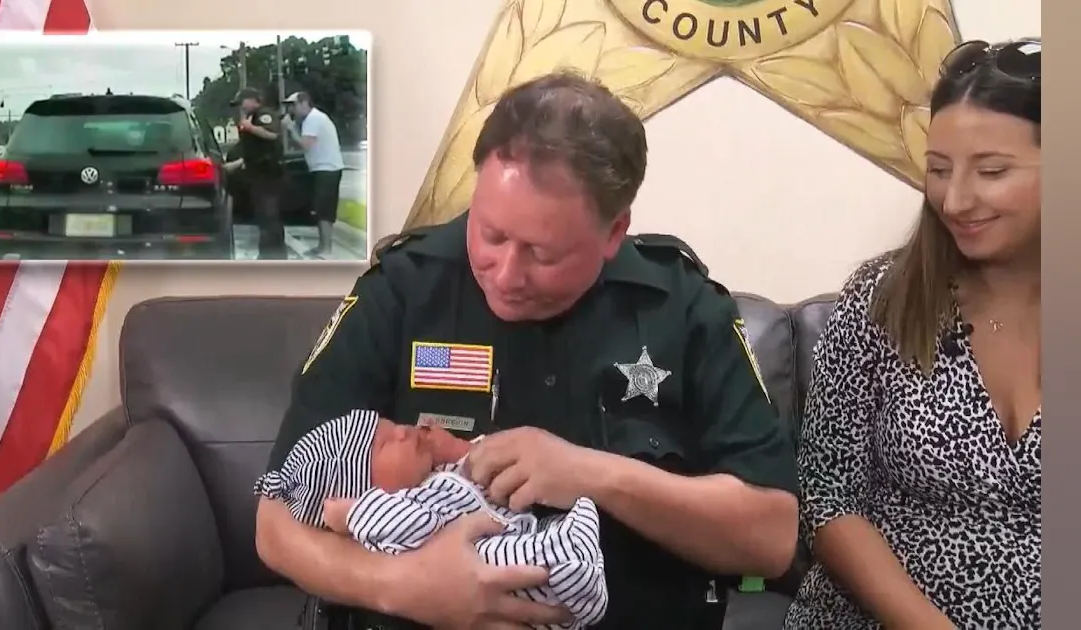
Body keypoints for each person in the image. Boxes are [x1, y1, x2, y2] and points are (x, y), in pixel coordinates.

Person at [255, 71, 799, 630]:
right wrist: (407, 587)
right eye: (490, 234)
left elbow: (772, 537)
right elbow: (274, 524)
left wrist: (593, 475)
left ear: (614, 233)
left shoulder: (684, 310)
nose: (506, 274)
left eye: (542, 253)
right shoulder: (402, 290)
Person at [783, 38, 1041, 630]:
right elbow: (827, 496)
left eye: (993, 171)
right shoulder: (884, 299)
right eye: (939, 170)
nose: (956, 199)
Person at [255, 409, 608, 629]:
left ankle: (569, 556)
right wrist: (352, 515)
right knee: (519, 564)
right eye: (383, 444)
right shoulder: (388, 515)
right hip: (490, 570)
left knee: (533, 545)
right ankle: (567, 560)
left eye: (391, 425)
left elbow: (483, 469)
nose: (403, 431)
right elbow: (405, 524)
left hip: (515, 530)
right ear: (360, 491)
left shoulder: (435, 476)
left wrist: (459, 451)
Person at [281, 91, 345, 257]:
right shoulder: (312, 119)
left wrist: (290, 128)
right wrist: (294, 126)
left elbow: (305, 145)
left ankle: (326, 249)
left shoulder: (313, 119)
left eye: (293, 106)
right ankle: (322, 246)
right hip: (321, 168)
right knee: (319, 209)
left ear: (304, 103)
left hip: (327, 169)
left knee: (324, 210)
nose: (291, 110)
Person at [231, 87, 288, 259]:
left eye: (242, 103)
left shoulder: (264, 114)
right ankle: (270, 254)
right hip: (257, 173)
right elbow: (254, 149)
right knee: (264, 216)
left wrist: (250, 127)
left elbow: (272, 134)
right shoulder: (252, 117)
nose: (240, 107)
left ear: (252, 100)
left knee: (269, 216)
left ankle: (272, 256)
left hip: (268, 174)